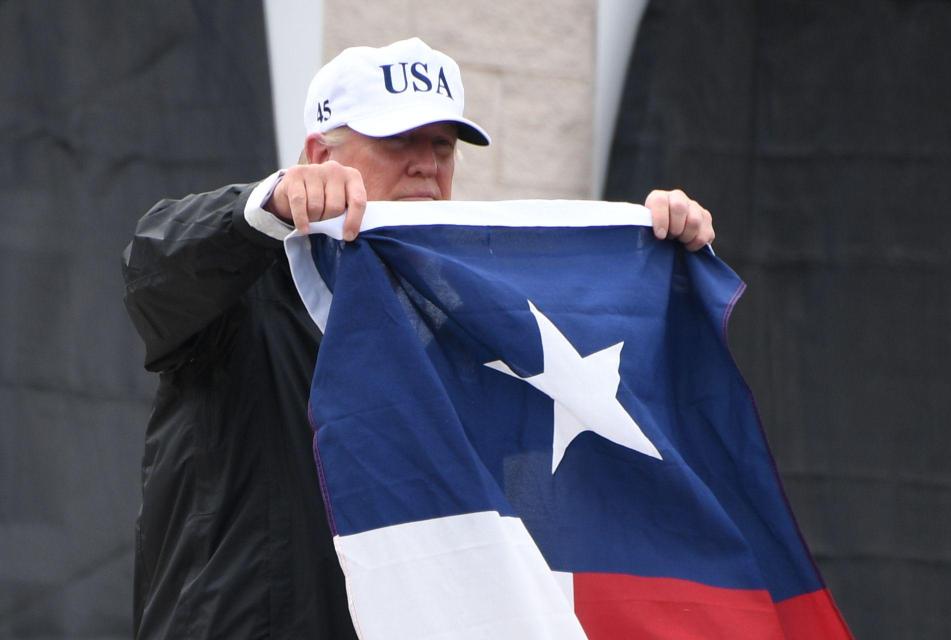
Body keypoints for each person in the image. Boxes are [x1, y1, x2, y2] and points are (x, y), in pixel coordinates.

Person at [122, 37, 715, 639]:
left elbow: (582, 425)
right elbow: (154, 266)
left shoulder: (461, 313)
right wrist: (264, 204)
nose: (426, 163)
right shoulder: (238, 282)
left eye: (441, 145)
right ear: (314, 153)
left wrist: (653, 259)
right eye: (397, 139)